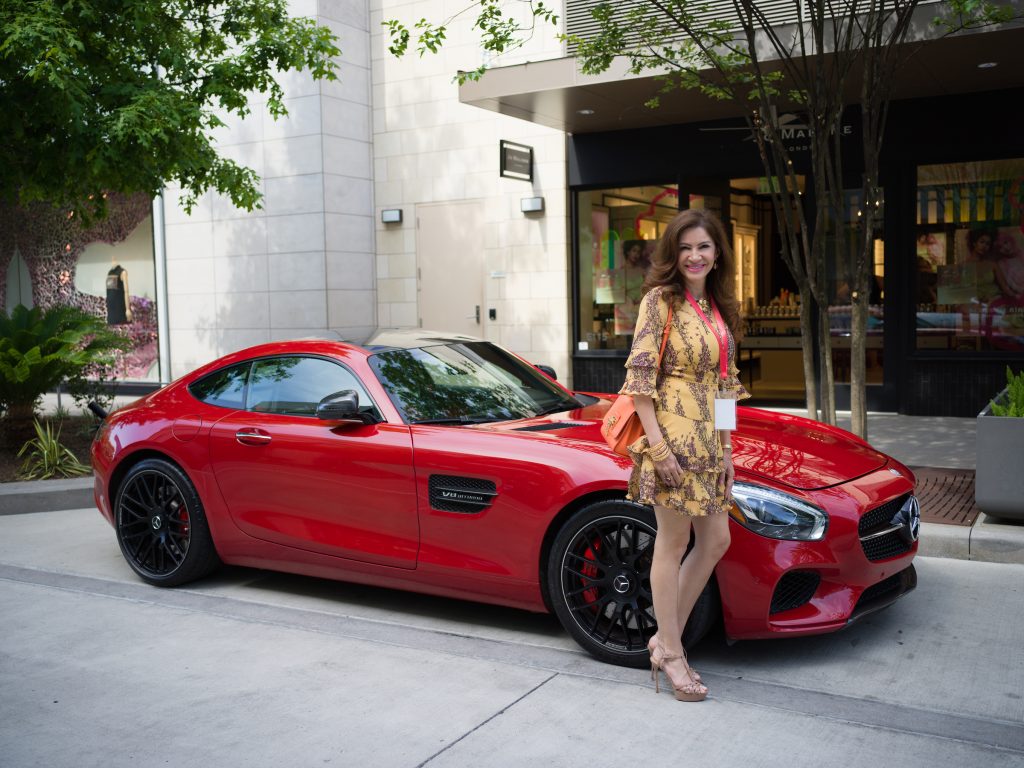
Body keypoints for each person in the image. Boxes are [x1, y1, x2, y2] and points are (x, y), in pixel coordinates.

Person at [619, 208, 749, 702]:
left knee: (715, 540)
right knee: (672, 544)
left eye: (704, 247)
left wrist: (728, 447)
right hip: (670, 437)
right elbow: (640, 382)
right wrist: (658, 447)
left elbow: (725, 386)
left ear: (717, 254)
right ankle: (672, 652)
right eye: (686, 247)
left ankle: (663, 639)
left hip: (709, 442)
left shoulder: (718, 308)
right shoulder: (660, 301)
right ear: (673, 254)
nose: (695, 256)